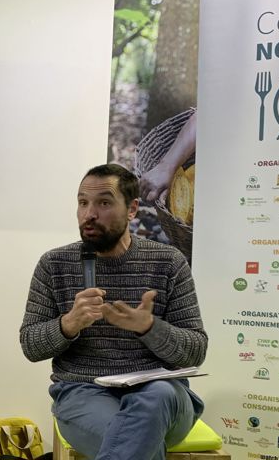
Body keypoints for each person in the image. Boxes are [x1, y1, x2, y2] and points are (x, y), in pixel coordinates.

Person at [19, 163, 207, 460]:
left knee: (155, 400)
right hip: (83, 392)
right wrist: (69, 324)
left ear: (132, 209)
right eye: (83, 203)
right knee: (135, 439)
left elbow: (195, 351)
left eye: (103, 203)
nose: (89, 214)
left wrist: (149, 328)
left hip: (164, 396)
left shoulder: (168, 262)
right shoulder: (54, 264)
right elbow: (30, 345)